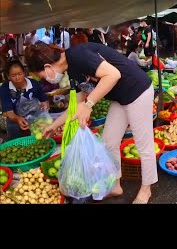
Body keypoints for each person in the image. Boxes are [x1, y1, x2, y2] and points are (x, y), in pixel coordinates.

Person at [24, 41, 156, 204]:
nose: (46, 80)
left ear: (47, 67)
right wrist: (54, 125)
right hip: (120, 98)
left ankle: (146, 189)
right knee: (109, 142)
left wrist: (89, 105)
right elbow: (77, 104)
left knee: (144, 146)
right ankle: (115, 185)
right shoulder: (72, 69)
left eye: (42, 76)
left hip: (138, 91)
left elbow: (113, 74)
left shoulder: (78, 55)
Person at [0, 60, 49, 141]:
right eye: (13, 75)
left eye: (20, 74)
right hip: (15, 123)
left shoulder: (34, 84)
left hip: (36, 121)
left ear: (24, 73)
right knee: (17, 145)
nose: (17, 78)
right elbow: (9, 112)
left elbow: (44, 100)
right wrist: (18, 119)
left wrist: (45, 106)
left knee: (39, 141)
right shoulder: (5, 88)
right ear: (8, 76)